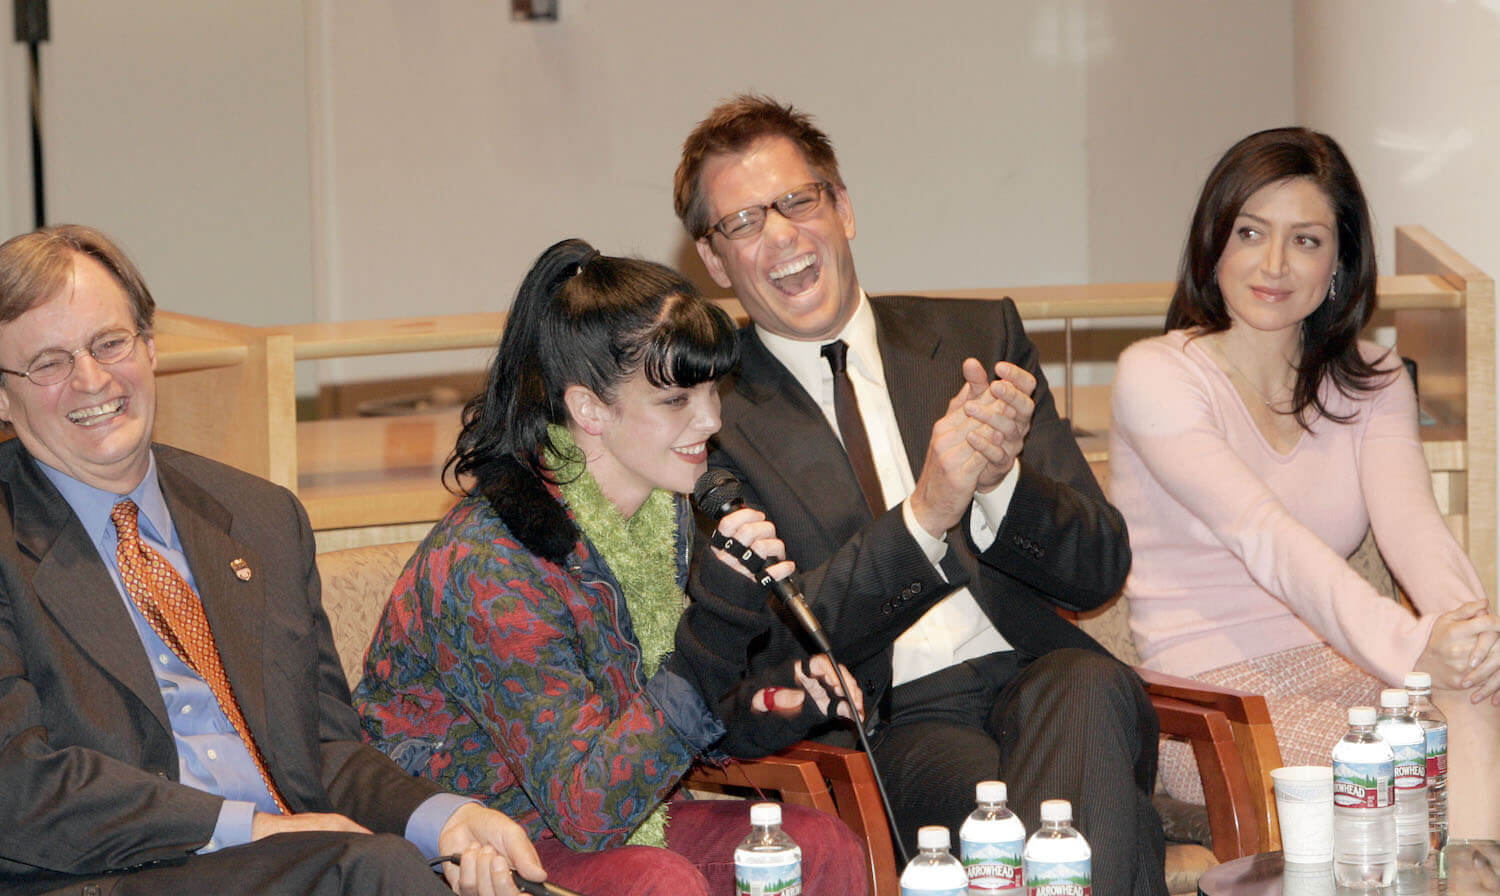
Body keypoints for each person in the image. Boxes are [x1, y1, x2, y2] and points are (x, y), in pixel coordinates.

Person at [674, 95, 1167, 896]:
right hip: (898, 718)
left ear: (844, 208)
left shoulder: (976, 339)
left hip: (1039, 669)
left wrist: (1004, 480)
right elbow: (766, 641)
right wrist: (925, 515)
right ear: (715, 261)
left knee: (1089, 687)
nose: (783, 236)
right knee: (1077, 826)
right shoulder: (707, 415)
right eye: (744, 222)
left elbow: (1099, 568)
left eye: (799, 201)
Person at [0, 225, 545, 896]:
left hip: (304, 867)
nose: (91, 379)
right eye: (49, 362)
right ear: (3, 394)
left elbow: (320, 751)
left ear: (149, 348)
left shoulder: (260, 519)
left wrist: (447, 820)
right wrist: (247, 827)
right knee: (377, 870)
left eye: (110, 343)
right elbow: (15, 782)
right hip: (105, 877)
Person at [355, 238, 869, 896]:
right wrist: (714, 631)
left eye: (712, 390)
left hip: (619, 812)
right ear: (589, 409)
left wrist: (781, 704)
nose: (710, 420)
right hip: (483, 842)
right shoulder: (490, 563)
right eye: (677, 401)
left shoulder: (667, 515)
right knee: (658, 882)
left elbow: (671, 730)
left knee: (817, 846)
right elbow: (587, 810)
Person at [1109, 126, 1500, 835]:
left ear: (1340, 262)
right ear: (1214, 241)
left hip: (1352, 676)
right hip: (1211, 710)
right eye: (1252, 232)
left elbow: (1416, 531)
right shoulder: (1158, 375)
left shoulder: (1373, 379)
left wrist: (1470, 640)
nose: (1275, 264)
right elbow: (1265, 539)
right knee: (1417, 753)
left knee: (1474, 696)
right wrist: (1418, 651)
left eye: (1308, 240)